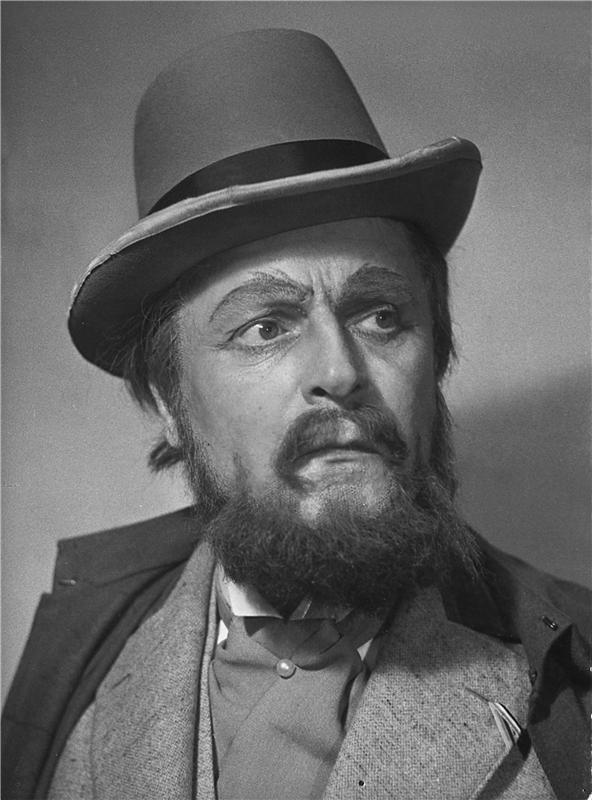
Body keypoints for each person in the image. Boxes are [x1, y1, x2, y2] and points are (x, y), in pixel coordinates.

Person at [2, 28, 589, 800]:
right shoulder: (75, 664)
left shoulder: (573, 682)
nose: (341, 372)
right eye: (266, 328)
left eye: (380, 315)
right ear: (169, 402)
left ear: (438, 352)